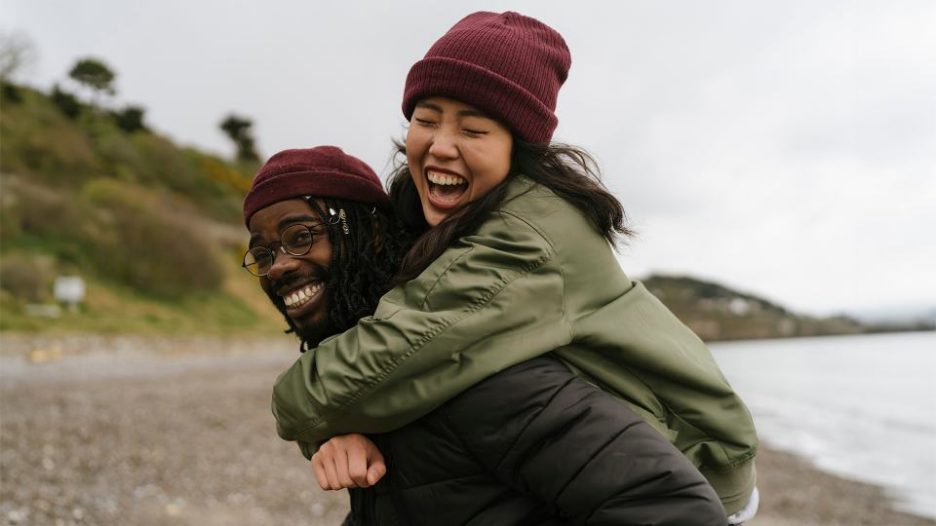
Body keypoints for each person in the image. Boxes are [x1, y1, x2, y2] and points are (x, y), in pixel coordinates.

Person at [270, 10, 760, 522]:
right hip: (596, 444)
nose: (440, 144)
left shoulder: (525, 237)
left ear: (519, 151)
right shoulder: (431, 216)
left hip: (691, 463)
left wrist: (303, 409)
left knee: (453, 386)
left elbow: (360, 372)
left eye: (474, 129)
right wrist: (335, 432)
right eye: (426, 118)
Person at [242, 145, 728, 524]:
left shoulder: (463, 361)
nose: (279, 265)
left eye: (301, 236)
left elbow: (676, 509)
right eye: (262, 253)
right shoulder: (362, 382)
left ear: (367, 234)